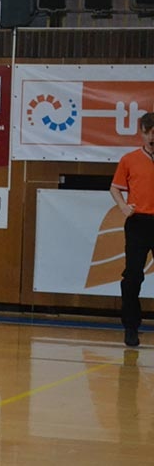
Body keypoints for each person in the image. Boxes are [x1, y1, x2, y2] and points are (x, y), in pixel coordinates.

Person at [110, 112, 154, 347]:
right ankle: (131, 326)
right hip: (139, 223)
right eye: (149, 133)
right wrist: (123, 206)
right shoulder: (129, 159)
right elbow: (115, 188)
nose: (152, 138)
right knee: (133, 276)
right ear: (143, 134)